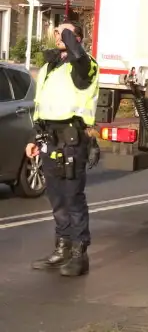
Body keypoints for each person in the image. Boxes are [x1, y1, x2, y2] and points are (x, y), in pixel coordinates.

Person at [26, 20, 101, 277]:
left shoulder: (85, 65)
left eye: (65, 32)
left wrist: (72, 41)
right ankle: (61, 249)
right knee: (57, 199)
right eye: (57, 31)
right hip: (50, 137)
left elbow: (80, 67)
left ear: (77, 37)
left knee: (73, 197)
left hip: (72, 138)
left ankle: (80, 255)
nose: (59, 34)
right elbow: (41, 105)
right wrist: (34, 138)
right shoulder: (50, 66)